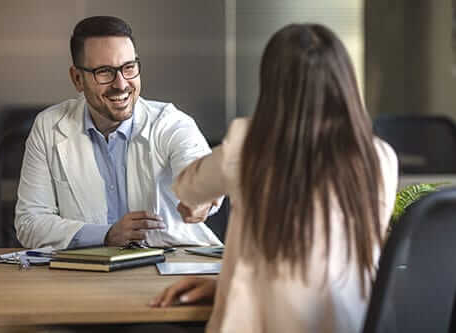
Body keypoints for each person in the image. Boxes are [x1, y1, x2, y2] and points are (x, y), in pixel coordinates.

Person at [150, 23, 399, 333]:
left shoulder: (249, 142)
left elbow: (187, 187)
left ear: (272, 86)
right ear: (345, 82)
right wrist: (221, 285)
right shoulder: (380, 156)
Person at [15, 16, 222, 250]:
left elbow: (197, 168)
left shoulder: (170, 122)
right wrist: (107, 234)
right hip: (87, 271)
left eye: (129, 68)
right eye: (104, 72)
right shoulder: (49, 127)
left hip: (171, 265)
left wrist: (200, 194)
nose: (121, 84)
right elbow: (29, 223)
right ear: (77, 79)